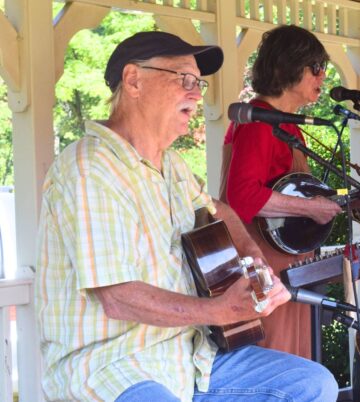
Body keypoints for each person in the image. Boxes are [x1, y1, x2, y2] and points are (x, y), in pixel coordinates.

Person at [35, 31, 338, 402]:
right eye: (184, 80)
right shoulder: (89, 168)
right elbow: (118, 297)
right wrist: (218, 310)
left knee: (314, 384)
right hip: (112, 367)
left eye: (199, 83)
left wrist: (254, 258)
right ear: (134, 80)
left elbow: (220, 209)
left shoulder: (172, 165)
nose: (197, 94)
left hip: (186, 358)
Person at [221, 25, 344, 358]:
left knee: (295, 356)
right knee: (277, 356)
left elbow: (294, 193)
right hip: (263, 257)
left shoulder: (287, 124)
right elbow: (242, 196)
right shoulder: (260, 122)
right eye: (316, 68)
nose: (323, 76)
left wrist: (346, 198)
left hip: (286, 259)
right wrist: (310, 209)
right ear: (290, 67)